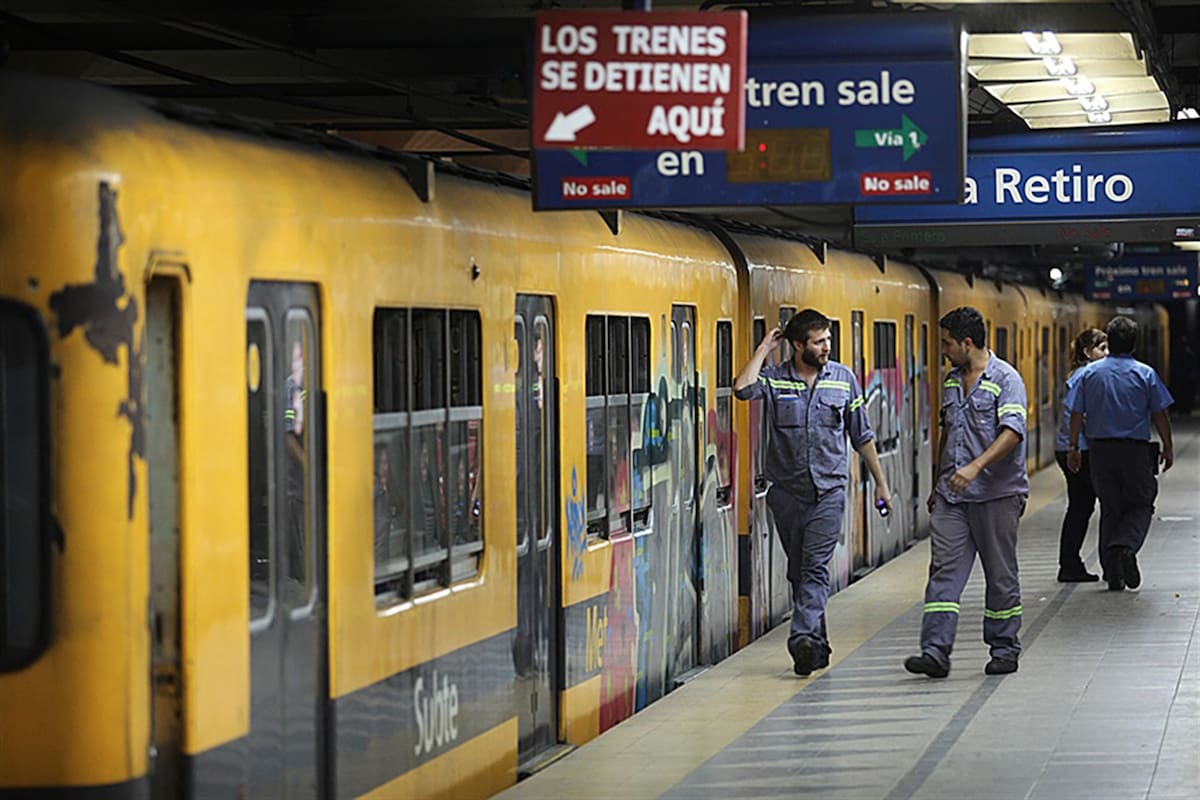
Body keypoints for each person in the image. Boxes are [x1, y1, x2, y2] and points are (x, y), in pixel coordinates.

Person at [734, 308, 893, 677]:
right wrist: (763, 349)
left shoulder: (843, 380)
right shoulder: (775, 379)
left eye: (827, 340)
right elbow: (742, 389)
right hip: (787, 494)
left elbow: (862, 435)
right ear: (797, 345)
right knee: (798, 571)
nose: (826, 347)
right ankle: (816, 648)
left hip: (829, 491)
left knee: (815, 569)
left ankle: (802, 637)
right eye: (818, 342)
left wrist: (881, 483)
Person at [906, 306, 1028, 679]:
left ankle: (1004, 648)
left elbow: (1012, 432)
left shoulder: (1006, 379)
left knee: (1000, 573)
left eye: (947, 343)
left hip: (996, 494)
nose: (944, 350)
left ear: (967, 343)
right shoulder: (952, 381)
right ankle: (935, 651)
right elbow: (948, 431)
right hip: (952, 496)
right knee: (943, 571)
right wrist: (937, 482)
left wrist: (975, 467)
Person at [1065, 316, 1173, 591]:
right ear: (1134, 345)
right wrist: (1168, 446)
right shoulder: (1145, 374)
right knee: (1141, 504)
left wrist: (1073, 447)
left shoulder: (1089, 374)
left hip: (1100, 451)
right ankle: (1124, 547)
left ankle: (1113, 573)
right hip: (1135, 452)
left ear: (1110, 343)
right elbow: (1160, 414)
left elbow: (1075, 413)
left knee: (1110, 508)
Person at [1054, 328, 1108, 583]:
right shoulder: (1088, 375)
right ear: (1087, 352)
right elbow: (1084, 415)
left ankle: (1070, 564)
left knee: (1080, 505)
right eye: (1102, 348)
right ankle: (1107, 563)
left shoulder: (1078, 374)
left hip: (1068, 447)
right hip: (1079, 449)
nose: (1107, 353)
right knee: (1101, 504)